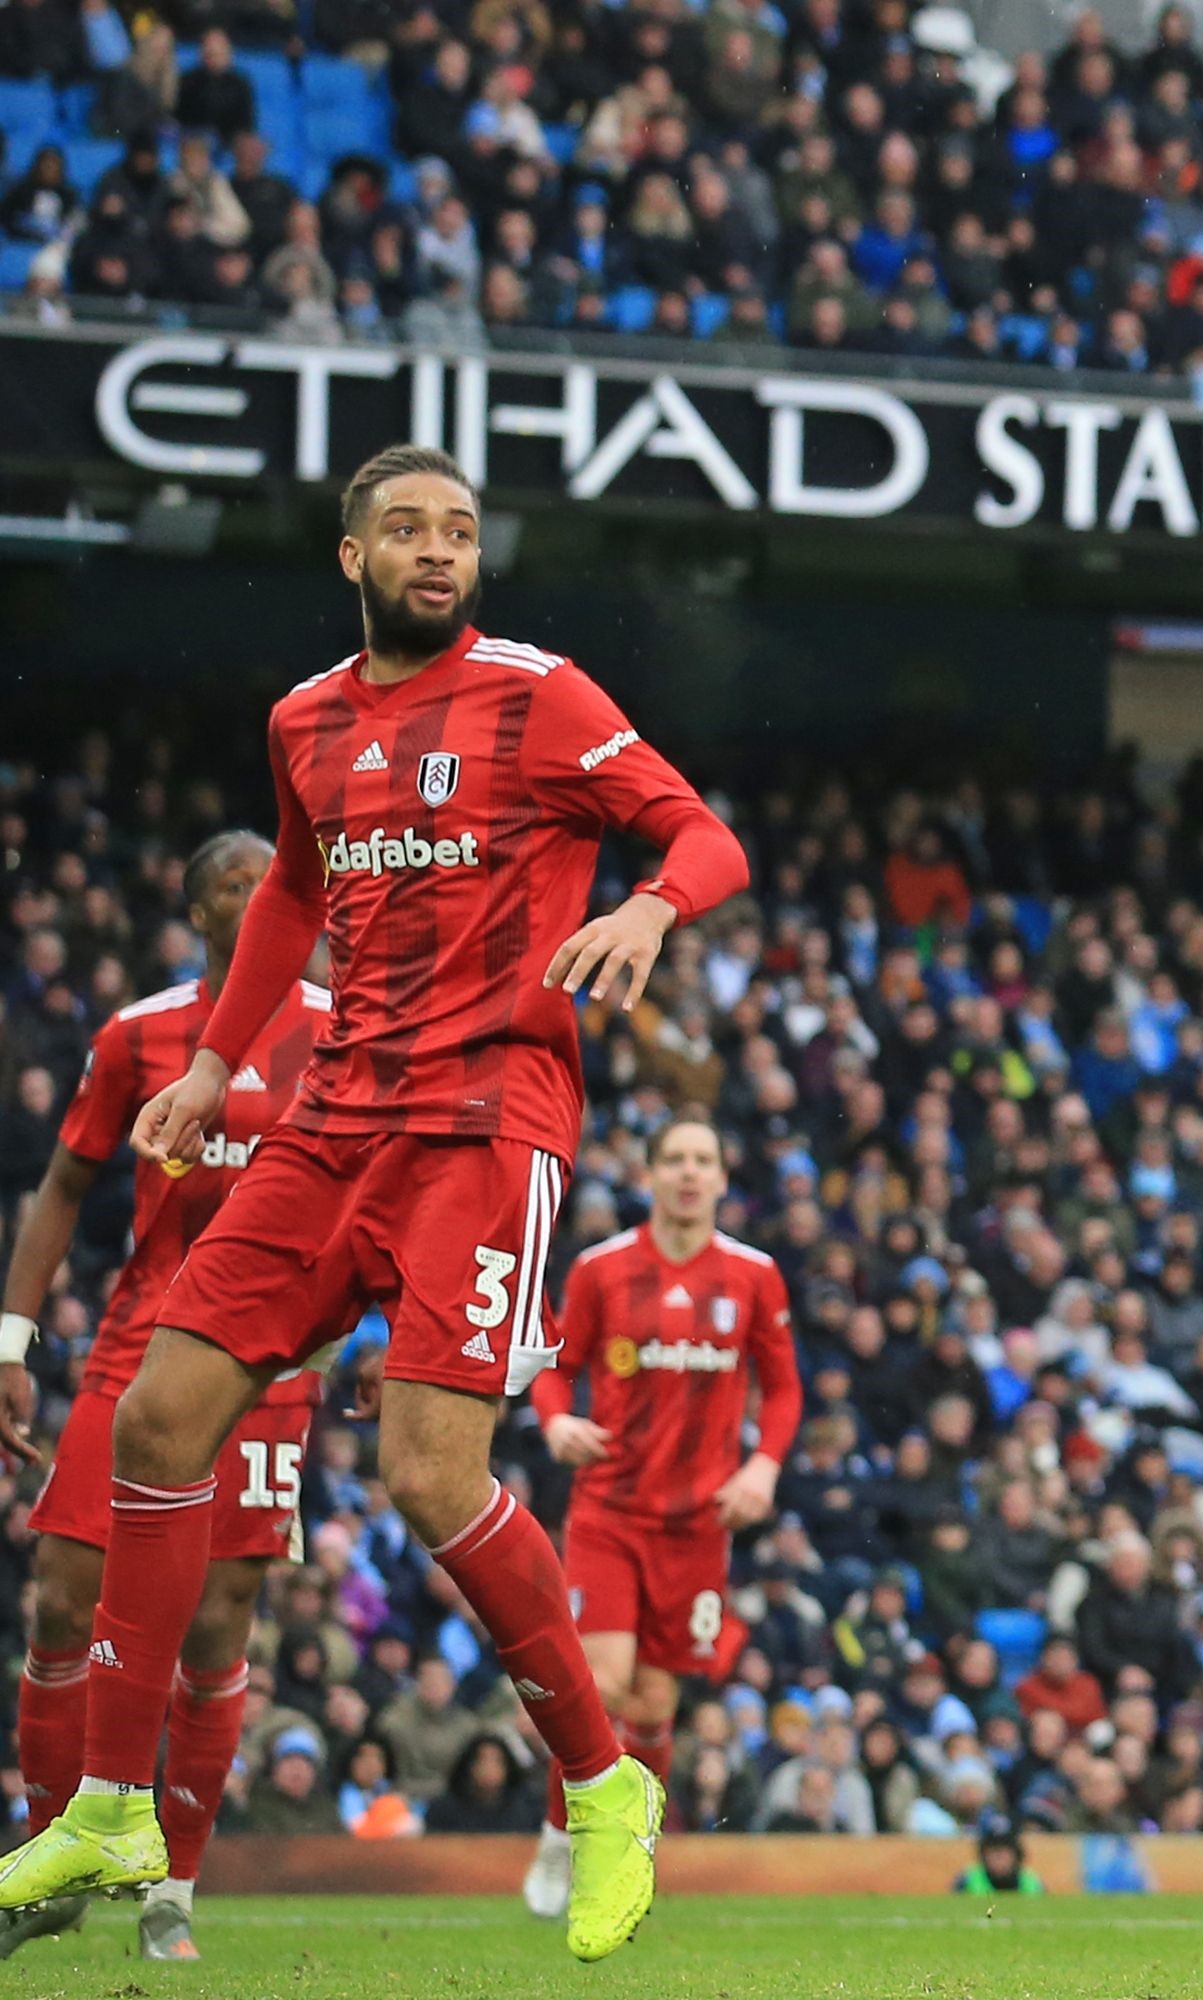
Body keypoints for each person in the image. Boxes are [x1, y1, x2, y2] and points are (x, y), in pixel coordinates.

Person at [0, 443, 749, 1963]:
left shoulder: (543, 696)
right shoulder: (305, 721)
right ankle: (104, 1807)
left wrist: (652, 905)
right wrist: (214, 1068)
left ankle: (605, 1790)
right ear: (351, 556)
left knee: (425, 1476)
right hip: (333, 1116)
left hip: (485, 1122)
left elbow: (702, 833)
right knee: (156, 1419)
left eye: (459, 532)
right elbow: (289, 895)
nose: (436, 550)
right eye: (405, 528)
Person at [0, 833, 330, 1964]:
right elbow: (64, 1184)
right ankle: (50, 1856)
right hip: (143, 1341)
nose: (255, 898)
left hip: (275, 1358)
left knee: (222, 1619)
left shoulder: (343, 1033)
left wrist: (377, 1331)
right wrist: (10, 1337)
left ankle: (173, 1892)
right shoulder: (139, 1029)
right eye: (231, 885)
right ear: (197, 909)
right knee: (58, 1597)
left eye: (269, 882)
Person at [521, 1113, 798, 1918]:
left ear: (720, 1177)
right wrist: (556, 1421)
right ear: (650, 1173)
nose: (687, 1172)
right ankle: (556, 1838)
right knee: (599, 1684)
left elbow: (783, 1388)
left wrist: (764, 1466)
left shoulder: (753, 1276)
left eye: (701, 1160)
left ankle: (626, 1856)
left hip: (700, 1524)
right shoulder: (604, 1270)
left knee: (654, 1707)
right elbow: (555, 1368)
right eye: (673, 1158)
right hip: (610, 1511)